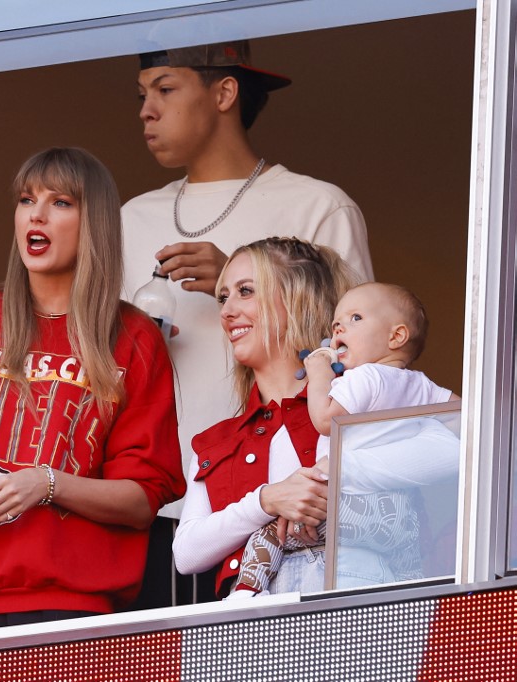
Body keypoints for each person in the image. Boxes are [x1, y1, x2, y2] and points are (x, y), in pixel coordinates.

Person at [0, 147, 185, 637]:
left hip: (66, 608)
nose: (37, 214)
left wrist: (47, 484)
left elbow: (141, 497)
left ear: (95, 223)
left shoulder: (131, 337)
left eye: (61, 202)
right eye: (27, 200)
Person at [122, 39, 374, 605]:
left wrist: (235, 272)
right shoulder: (131, 219)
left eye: (164, 89)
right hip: (163, 499)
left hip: (301, 497)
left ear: (224, 92)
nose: (146, 110)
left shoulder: (317, 206)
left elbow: (359, 349)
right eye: (142, 94)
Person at [229, 282, 460, 596]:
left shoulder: (364, 376)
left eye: (355, 318)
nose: (338, 327)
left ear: (396, 336)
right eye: (336, 323)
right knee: (409, 563)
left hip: (346, 500)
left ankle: (245, 591)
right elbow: (465, 417)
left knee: (271, 531)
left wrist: (319, 370)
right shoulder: (422, 385)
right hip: (396, 510)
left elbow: (327, 420)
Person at [172, 237, 355, 597]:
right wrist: (266, 501)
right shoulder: (216, 441)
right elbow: (186, 554)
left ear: (296, 299)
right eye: (223, 297)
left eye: (246, 291)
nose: (226, 311)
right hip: (249, 636)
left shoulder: (351, 406)